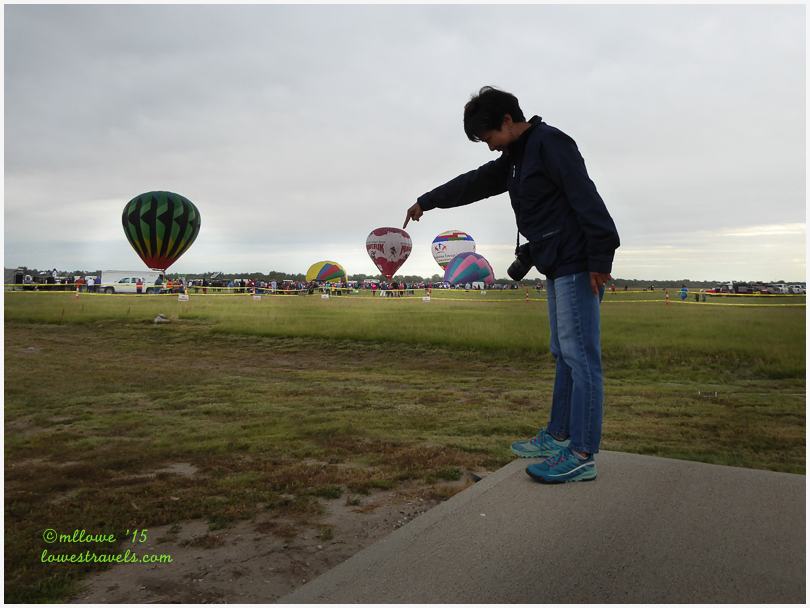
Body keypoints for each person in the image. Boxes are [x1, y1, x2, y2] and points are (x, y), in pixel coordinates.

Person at [404, 86, 619, 484]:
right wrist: (427, 201)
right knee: (563, 353)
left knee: (582, 357)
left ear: (507, 121)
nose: (488, 148)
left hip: (577, 261)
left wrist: (601, 257)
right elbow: (474, 183)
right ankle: (558, 436)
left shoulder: (550, 143)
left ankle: (583, 453)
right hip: (556, 264)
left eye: (488, 138)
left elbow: (585, 194)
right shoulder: (516, 158)